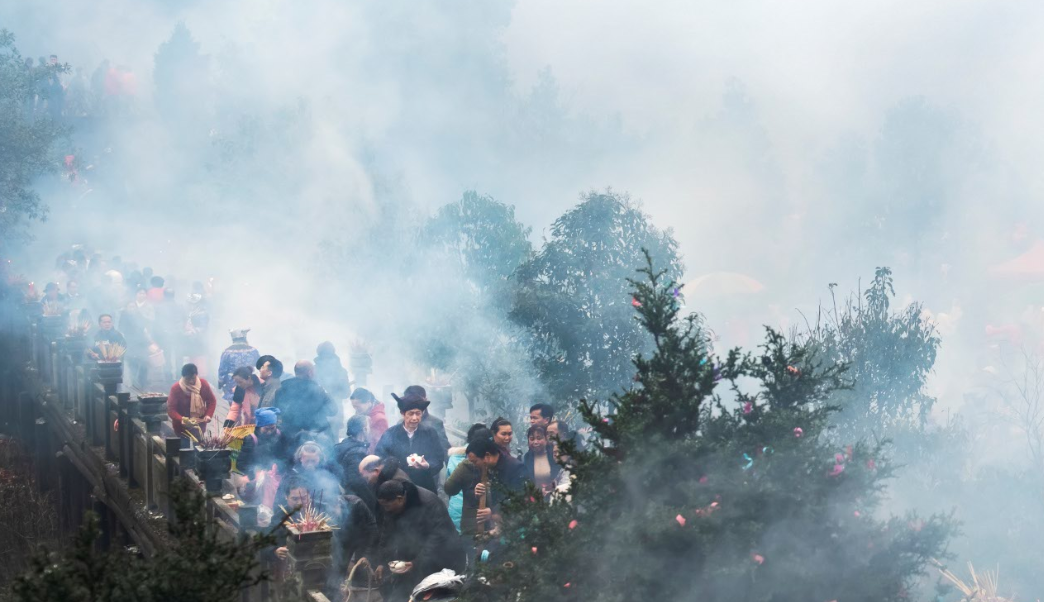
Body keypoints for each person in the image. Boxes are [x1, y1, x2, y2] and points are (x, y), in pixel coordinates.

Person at [372, 479, 467, 602]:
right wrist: (382, 562)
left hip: (442, 558)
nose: (385, 509)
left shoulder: (429, 502)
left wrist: (416, 562)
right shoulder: (392, 508)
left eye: (387, 505)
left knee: (430, 595)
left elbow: (438, 538)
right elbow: (387, 534)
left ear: (400, 498)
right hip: (413, 556)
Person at [445, 437, 525, 539]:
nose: (473, 465)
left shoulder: (514, 468)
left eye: (475, 461)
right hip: (490, 530)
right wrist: (478, 492)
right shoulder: (487, 467)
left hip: (511, 530)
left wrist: (493, 511)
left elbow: (519, 498)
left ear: (487, 456)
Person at [375, 391, 446, 493]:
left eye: (418, 413)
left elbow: (438, 459)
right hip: (398, 487)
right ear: (403, 414)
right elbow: (380, 457)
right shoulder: (391, 434)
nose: (415, 418)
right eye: (411, 413)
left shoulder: (430, 433)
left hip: (424, 486)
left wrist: (427, 465)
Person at [273, 360, 338, 443]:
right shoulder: (317, 390)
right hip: (314, 436)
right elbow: (333, 410)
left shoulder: (282, 388)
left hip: (289, 436)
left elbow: (278, 410)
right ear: (310, 372)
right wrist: (320, 414)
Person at [236, 407, 288, 509]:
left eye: (272, 428)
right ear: (259, 426)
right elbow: (240, 463)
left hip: (276, 480)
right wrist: (254, 473)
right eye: (266, 429)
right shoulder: (251, 439)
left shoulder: (281, 436)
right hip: (256, 481)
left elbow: (285, 456)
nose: (269, 432)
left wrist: (279, 467)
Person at [445, 424, 492, 532]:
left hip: (457, 512)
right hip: (480, 516)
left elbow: (449, 487)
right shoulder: (488, 461)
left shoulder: (454, 458)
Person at [167, 363, 217, 446]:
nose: (191, 381)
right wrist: (182, 419)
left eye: (193, 378)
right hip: (182, 428)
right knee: (184, 449)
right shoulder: (176, 388)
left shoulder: (203, 384)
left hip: (199, 426)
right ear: (183, 377)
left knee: (198, 448)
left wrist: (208, 415)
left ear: (196, 375)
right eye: (187, 379)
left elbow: (211, 401)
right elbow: (171, 409)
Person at [335, 416, 375, 507]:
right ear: (364, 429)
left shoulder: (346, 444)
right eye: (369, 427)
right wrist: (373, 501)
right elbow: (357, 482)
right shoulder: (356, 453)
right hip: (356, 500)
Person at [397, 386, 451, 453]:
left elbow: (444, 449)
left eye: (418, 400)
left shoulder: (435, 423)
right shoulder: (400, 423)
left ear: (425, 400)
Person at [119, 288, 155, 387]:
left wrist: (149, 339)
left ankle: (142, 382)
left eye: (133, 307)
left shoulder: (138, 314)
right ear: (126, 308)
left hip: (141, 342)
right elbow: (121, 329)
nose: (132, 308)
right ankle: (134, 383)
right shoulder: (124, 315)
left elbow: (144, 328)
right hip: (131, 342)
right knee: (132, 363)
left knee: (144, 362)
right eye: (130, 307)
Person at [314, 341, 350, 434]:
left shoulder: (313, 370)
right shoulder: (341, 371)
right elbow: (346, 393)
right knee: (333, 442)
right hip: (335, 412)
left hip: (318, 414)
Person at [217, 329, 259, 402]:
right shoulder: (253, 350)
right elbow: (259, 365)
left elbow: (222, 371)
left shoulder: (227, 352)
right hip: (249, 381)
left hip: (232, 382)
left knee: (234, 403)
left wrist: (221, 382)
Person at [523, 425, 561, 499]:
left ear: (546, 439)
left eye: (539, 438)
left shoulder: (554, 455)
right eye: (532, 439)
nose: (535, 442)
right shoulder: (526, 458)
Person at [349, 387, 388, 452]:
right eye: (354, 406)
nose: (355, 409)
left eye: (357, 406)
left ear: (368, 402)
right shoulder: (362, 413)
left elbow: (379, 444)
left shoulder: (380, 419)